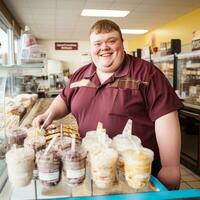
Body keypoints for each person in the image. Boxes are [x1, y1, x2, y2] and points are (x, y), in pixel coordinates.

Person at [32, 19, 183, 190]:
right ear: (91, 48)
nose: (104, 47)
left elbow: (166, 118)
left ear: (122, 43)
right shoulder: (81, 74)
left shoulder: (147, 74)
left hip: (135, 170)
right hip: (93, 166)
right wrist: (50, 113)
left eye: (111, 41)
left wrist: (171, 166)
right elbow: (64, 98)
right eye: (98, 43)